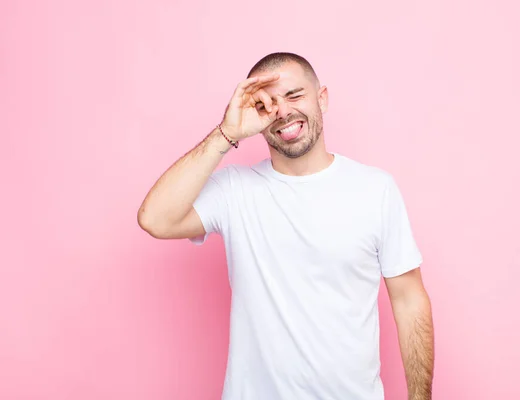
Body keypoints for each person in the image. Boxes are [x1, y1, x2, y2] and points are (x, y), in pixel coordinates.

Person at [137, 52, 434, 400]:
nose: (283, 111)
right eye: (267, 104)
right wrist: (225, 133)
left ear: (321, 98)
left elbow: (409, 299)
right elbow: (154, 219)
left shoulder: (375, 189)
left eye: (295, 96)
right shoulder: (234, 189)